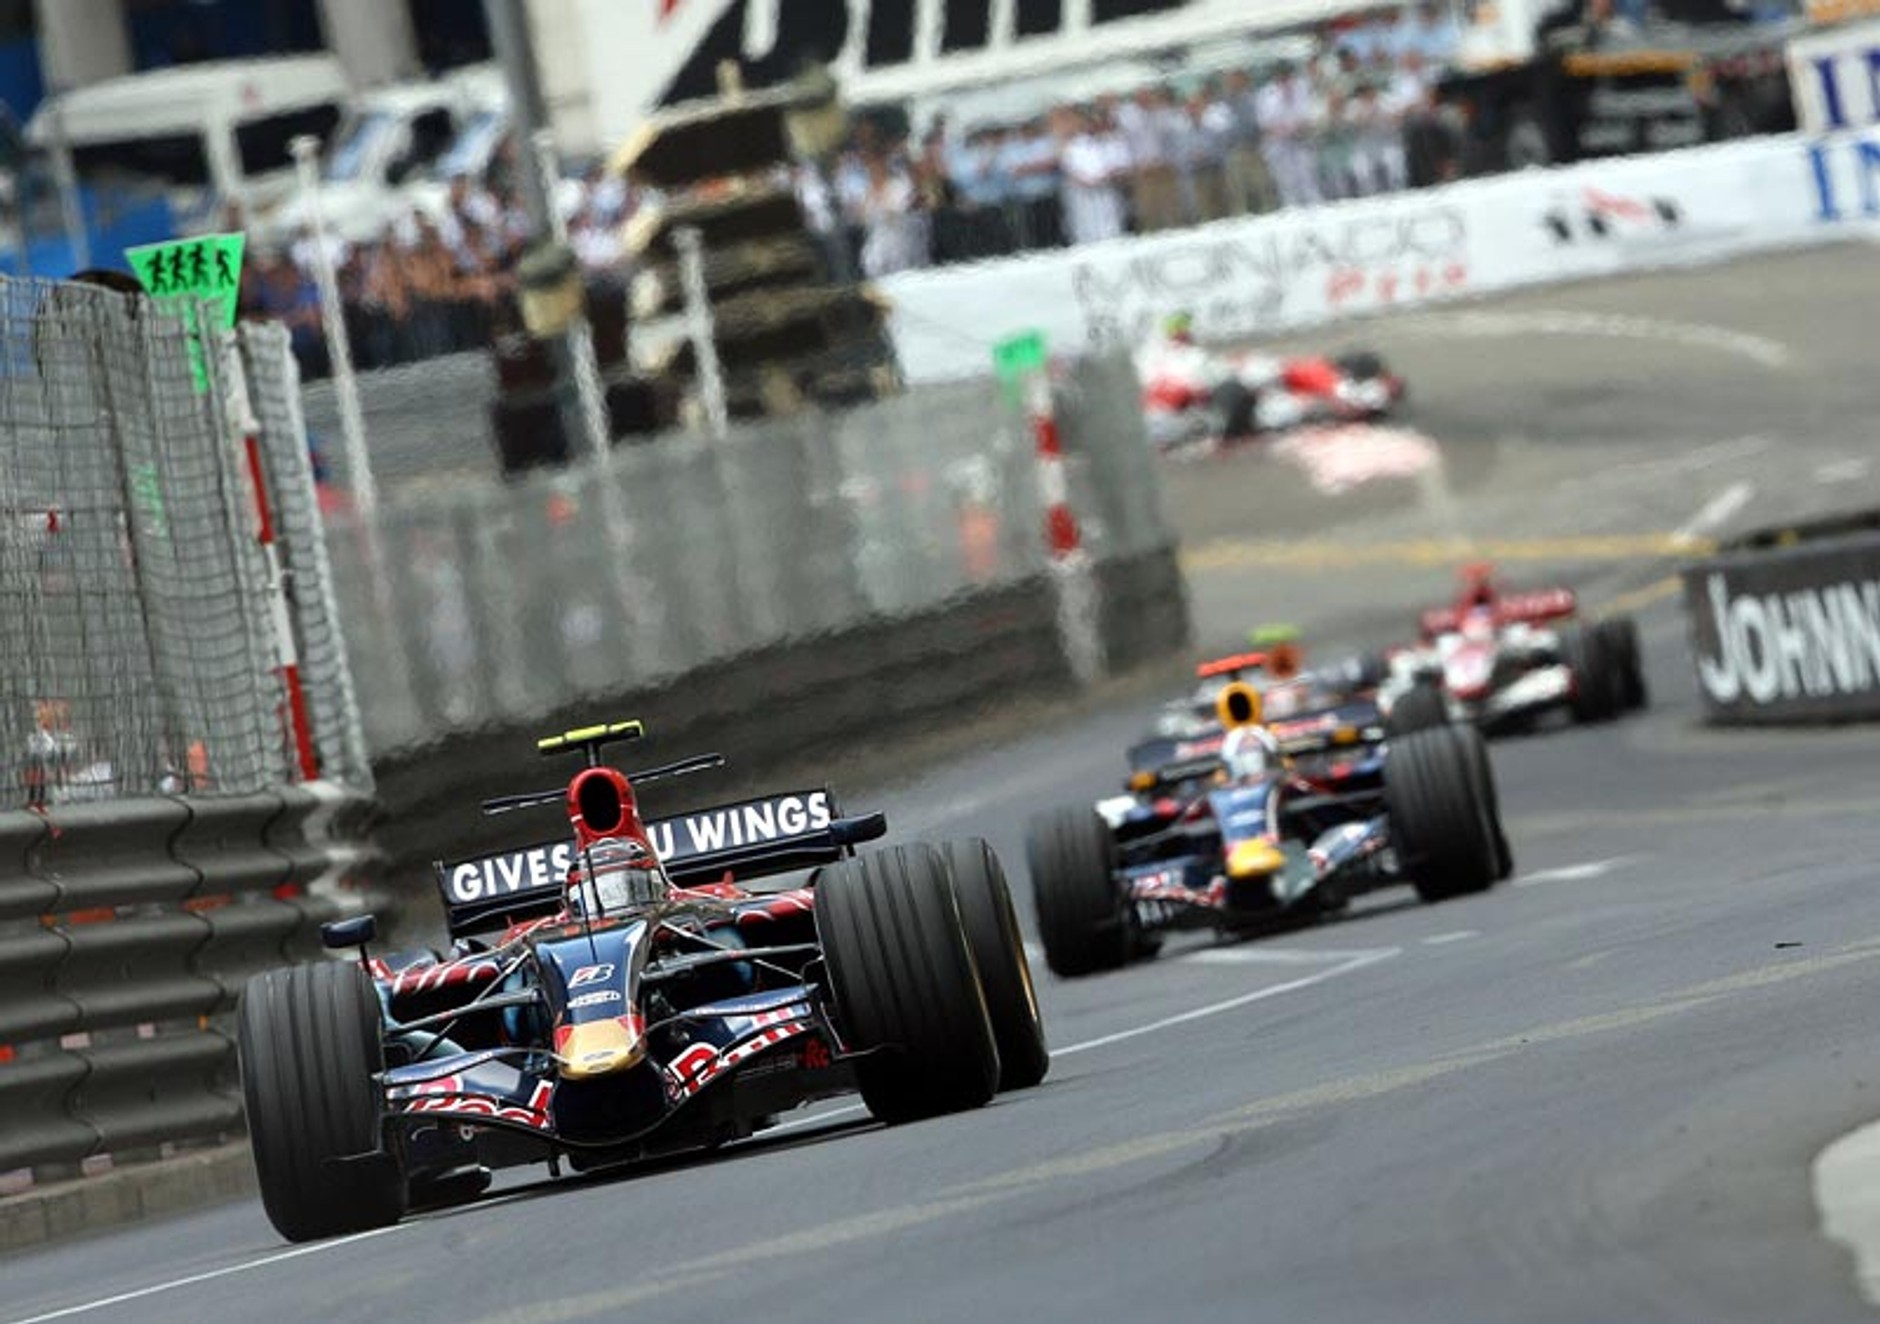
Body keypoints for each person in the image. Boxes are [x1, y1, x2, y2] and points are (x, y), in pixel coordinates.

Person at [1056, 106, 1129, 246]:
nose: (1094, 125)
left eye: (1098, 122)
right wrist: (1090, 181)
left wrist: (1112, 175)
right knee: (1087, 233)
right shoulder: (1073, 145)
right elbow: (1072, 171)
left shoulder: (1110, 141)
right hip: (1083, 198)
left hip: (1108, 194)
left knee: (1112, 230)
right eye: (1090, 122)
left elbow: (1122, 167)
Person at [1115, 85, 1183, 232]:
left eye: (1148, 93)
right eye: (1141, 94)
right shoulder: (1127, 114)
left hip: (1165, 168)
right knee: (1148, 212)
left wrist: (1156, 109)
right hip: (1143, 171)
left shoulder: (1163, 112)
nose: (1145, 97)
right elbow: (1126, 141)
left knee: (1172, 209)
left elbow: (1173, 135)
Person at [1256, 62, 1323, 210]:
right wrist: (1282, 129)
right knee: (1286, 182)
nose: (1285, 80)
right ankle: (1292, 210)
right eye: (1281, 77)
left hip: (1302, 140)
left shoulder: (1303, 88)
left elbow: (1312, 114)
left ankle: (1316, 207)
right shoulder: (1267, 94)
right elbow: (1264, 124)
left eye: (1287, 77)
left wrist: (1300, 125)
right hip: (1279, 145)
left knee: (1307, 178)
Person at [1220, 70, 1278, 216]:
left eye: (1235, 79)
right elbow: (1223, 126)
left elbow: (1259, 121)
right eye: (1229, 80)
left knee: (1262, 185)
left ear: (1244, 80)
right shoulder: (1225, 102)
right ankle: (1241, 215)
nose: (1232, 83)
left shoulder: (1254, 98)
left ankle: (1269, 212)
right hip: (1236, 149)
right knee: (1238, 188)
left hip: (1255, 147)